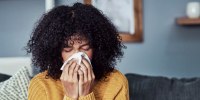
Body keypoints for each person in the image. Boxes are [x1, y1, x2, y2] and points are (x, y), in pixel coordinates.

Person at [26, 2, 129, 100]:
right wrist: (70, 96)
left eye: (85, 48)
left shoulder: (116, 81)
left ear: (97, 48)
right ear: (56, 51)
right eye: (67, 49)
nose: (77, 56)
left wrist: (86, 94)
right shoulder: (41, 84)